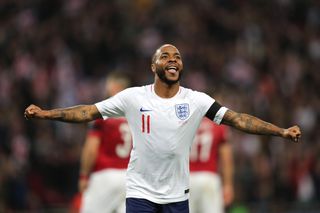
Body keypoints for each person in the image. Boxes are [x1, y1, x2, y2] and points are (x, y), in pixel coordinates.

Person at [25, 44, 301, 213]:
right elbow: (87, 112)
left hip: (178, 194)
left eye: (177, 56)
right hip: (139, 192)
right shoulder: (133, 97)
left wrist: (280, 131)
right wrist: (46, 114)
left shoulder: (196, 100)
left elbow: (239, 119)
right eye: (165, 55)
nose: (173, 59)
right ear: (153, 65)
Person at [79, 72, 132, 213]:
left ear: (116, 87)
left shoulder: (103, 113)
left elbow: (91, 148)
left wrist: (84, 175)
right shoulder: (136, 115)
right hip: (131, 179)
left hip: (105, 175)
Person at [189, 117, 234, 213]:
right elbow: (226, 158)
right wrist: (228, 185)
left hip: (187, 179)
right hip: (209, 178)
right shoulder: (219, 123)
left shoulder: (187, 120)